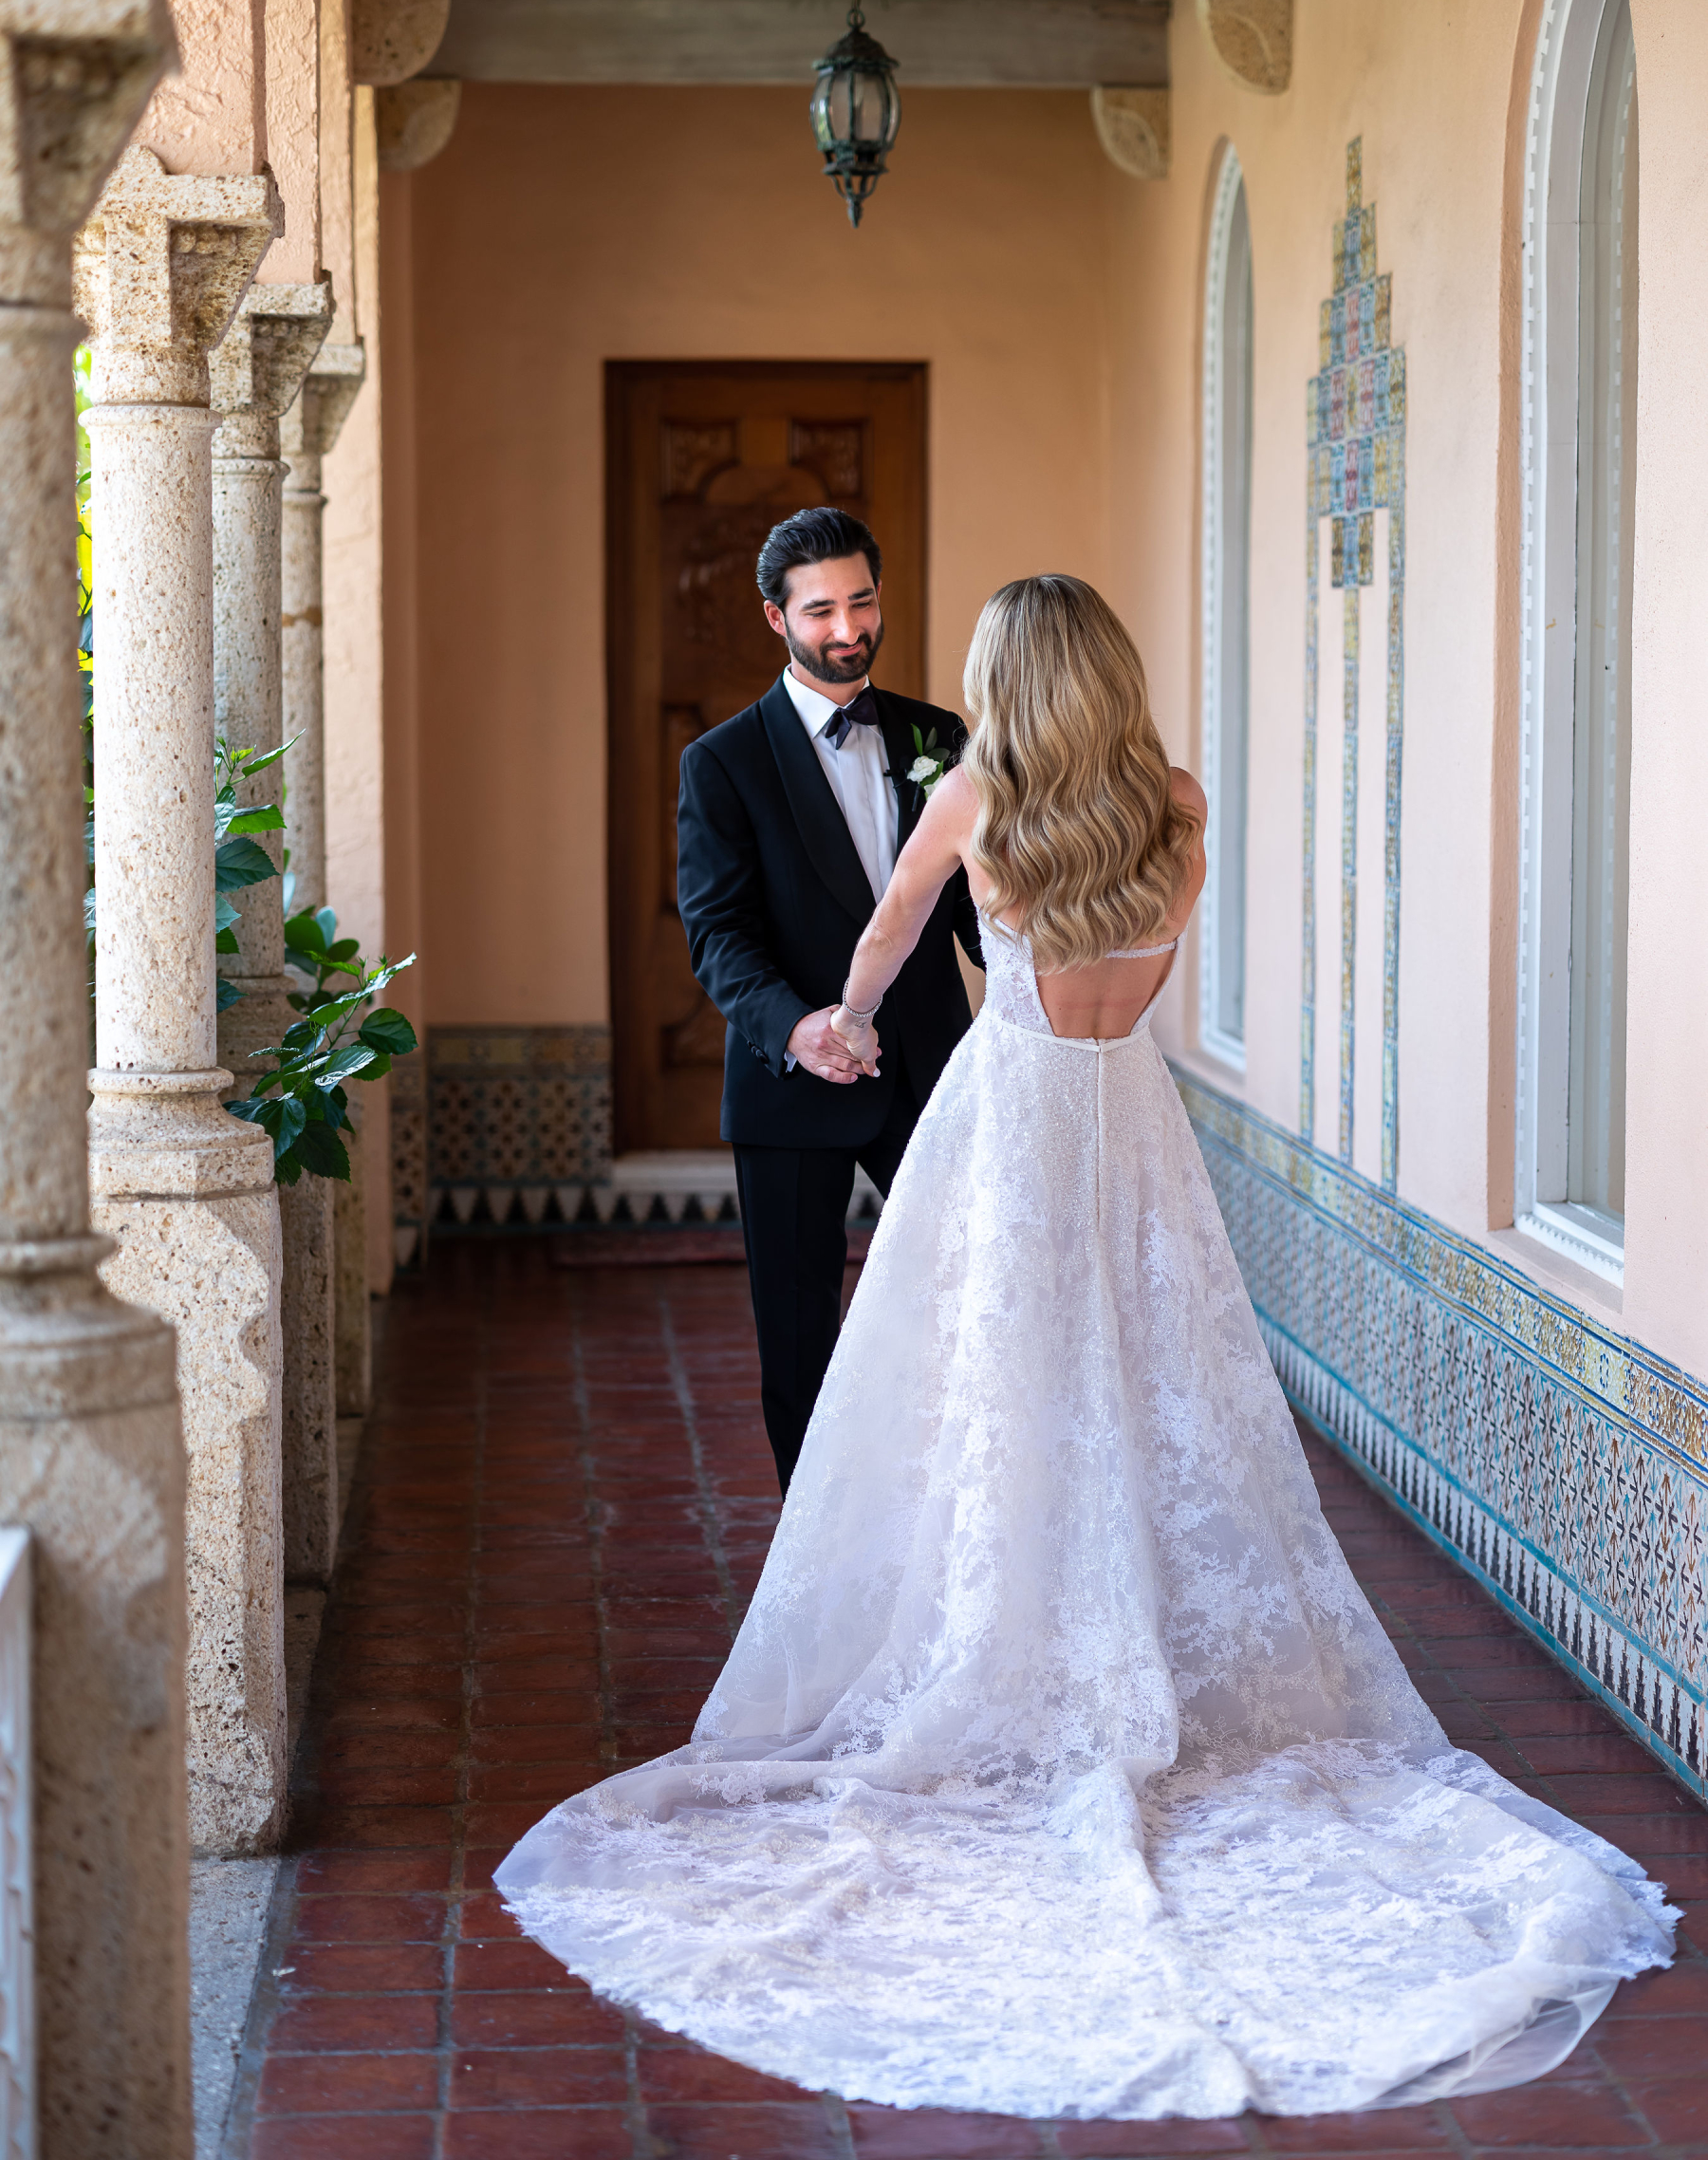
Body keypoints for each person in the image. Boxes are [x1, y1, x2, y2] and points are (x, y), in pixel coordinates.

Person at [497, 576, 1674, 2121]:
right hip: (1135, 1117)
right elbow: (1146, 956)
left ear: (1009, 681)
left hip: (1016, 1124)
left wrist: (843, 1023)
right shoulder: (1176, 804)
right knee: (1153, 1384)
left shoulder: (980, 799)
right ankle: (1131, 1646)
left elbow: (889, 936)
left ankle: (1023, 1636)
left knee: (999, 1397)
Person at [674, 504, 983, 1494]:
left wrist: (1051, 980)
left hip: (931, 1073)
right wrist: (796, 1028)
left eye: (862, 602)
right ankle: (812, 1548)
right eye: (820, 611)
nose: (848, 629)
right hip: (790, 1088)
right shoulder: (720, 762)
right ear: (777, 618)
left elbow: (977, 910)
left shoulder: (940, 736)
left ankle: (952, 1512)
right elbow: (717, 933)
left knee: (972, 1302)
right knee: (800, 1338)